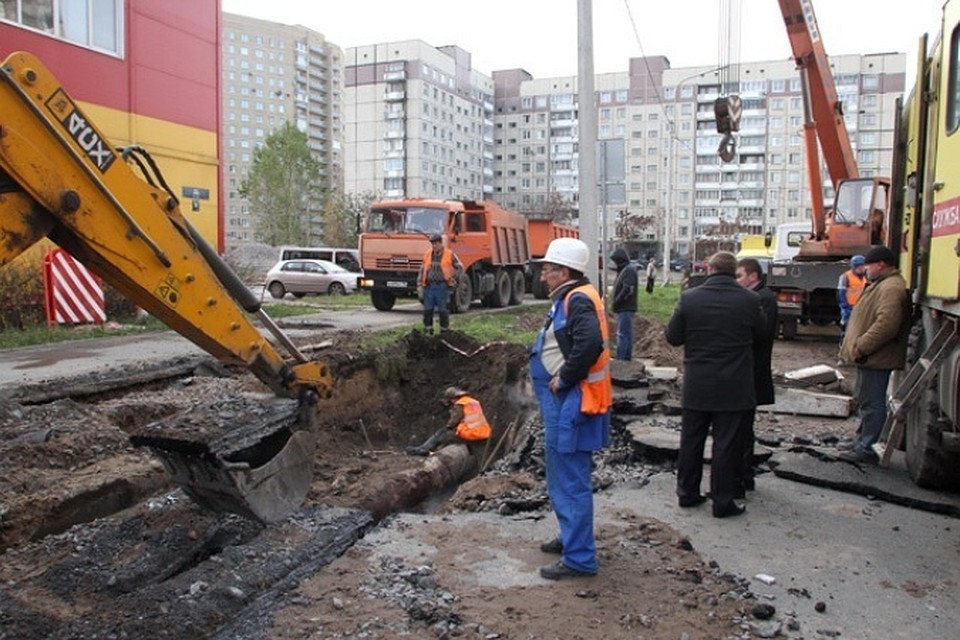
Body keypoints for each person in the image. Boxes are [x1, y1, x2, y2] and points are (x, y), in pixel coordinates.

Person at [529, 237, 612, 580]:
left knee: (570, 477)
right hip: (568, 399)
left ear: (564, 271)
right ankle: (570, 537)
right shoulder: (572, 295)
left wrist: (563, 378)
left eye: (547, 269)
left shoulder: (576, 299)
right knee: (561, 472)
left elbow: (589, 344)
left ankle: (579, 558)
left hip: (573, 399)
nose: (543, 275)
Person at [666, 251, 763, 518]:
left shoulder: (690, 298)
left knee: (691, 440)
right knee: (727, 444)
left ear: (709, 269)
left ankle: (687, 494)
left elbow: (673, 337)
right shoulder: (750, 300)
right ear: (734, 272)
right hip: (735, 384)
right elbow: (760, 332)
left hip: (698, 383)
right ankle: (722, 501)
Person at [838, 246, 910, 464]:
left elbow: (887, 324)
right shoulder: (882, 284)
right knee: (865, 399)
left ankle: (866, 447)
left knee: (873, 402)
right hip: (869, 357)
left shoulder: (891, 288)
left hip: (874, 357)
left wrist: (861, 346)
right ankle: (861, 440)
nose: (865, 270)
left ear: (881, 264)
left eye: (868, 265)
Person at [735, 257, 778, 493]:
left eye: (740, 275)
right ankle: (743, 473)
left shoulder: (763, 299)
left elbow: (759, 333)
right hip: (749, 371)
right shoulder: (758, 298)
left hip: (752, 371)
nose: (736, 280)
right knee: (741, 426)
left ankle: (744, 474)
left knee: (743, 427)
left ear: (753, 276)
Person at [406, 387, 491, 463]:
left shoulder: (460, 404)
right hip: (483, 433)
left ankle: (423, 449)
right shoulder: (473, 402)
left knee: (441, 434)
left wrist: (448, 427)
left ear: (453, 398)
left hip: (471, 433)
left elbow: (454, 421)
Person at [418, 234, 462, 335]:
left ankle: (444, 331)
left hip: (442, 286)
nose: (434, 246)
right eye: (432, 244)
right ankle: (428, 330)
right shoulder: (428, 254)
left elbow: (460, 267)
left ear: (441, 243)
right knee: (428, 310)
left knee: (443, 310)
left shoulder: (449, 254)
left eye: (436, 244)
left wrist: (455, 279)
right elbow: (422, 270)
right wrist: (419, 285)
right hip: (429, 287)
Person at [609, 248, 638, 361]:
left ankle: (622, 360)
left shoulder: (628, 270)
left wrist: (616, 301)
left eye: (616, 261)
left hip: (625, 307)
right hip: (624, 308)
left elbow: (627, 289)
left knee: (623, 335)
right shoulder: (625, 270)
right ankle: (625, 359)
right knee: (625, 334)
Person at [837, 254, 867, 339]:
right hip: (849, 307)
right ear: (853, 266)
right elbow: (841, 292)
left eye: (862, 266)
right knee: (847, 328)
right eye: (858, 266)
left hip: (862, 307)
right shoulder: (845, 276)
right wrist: (845, 306)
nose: (861, 268)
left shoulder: (866, 277)